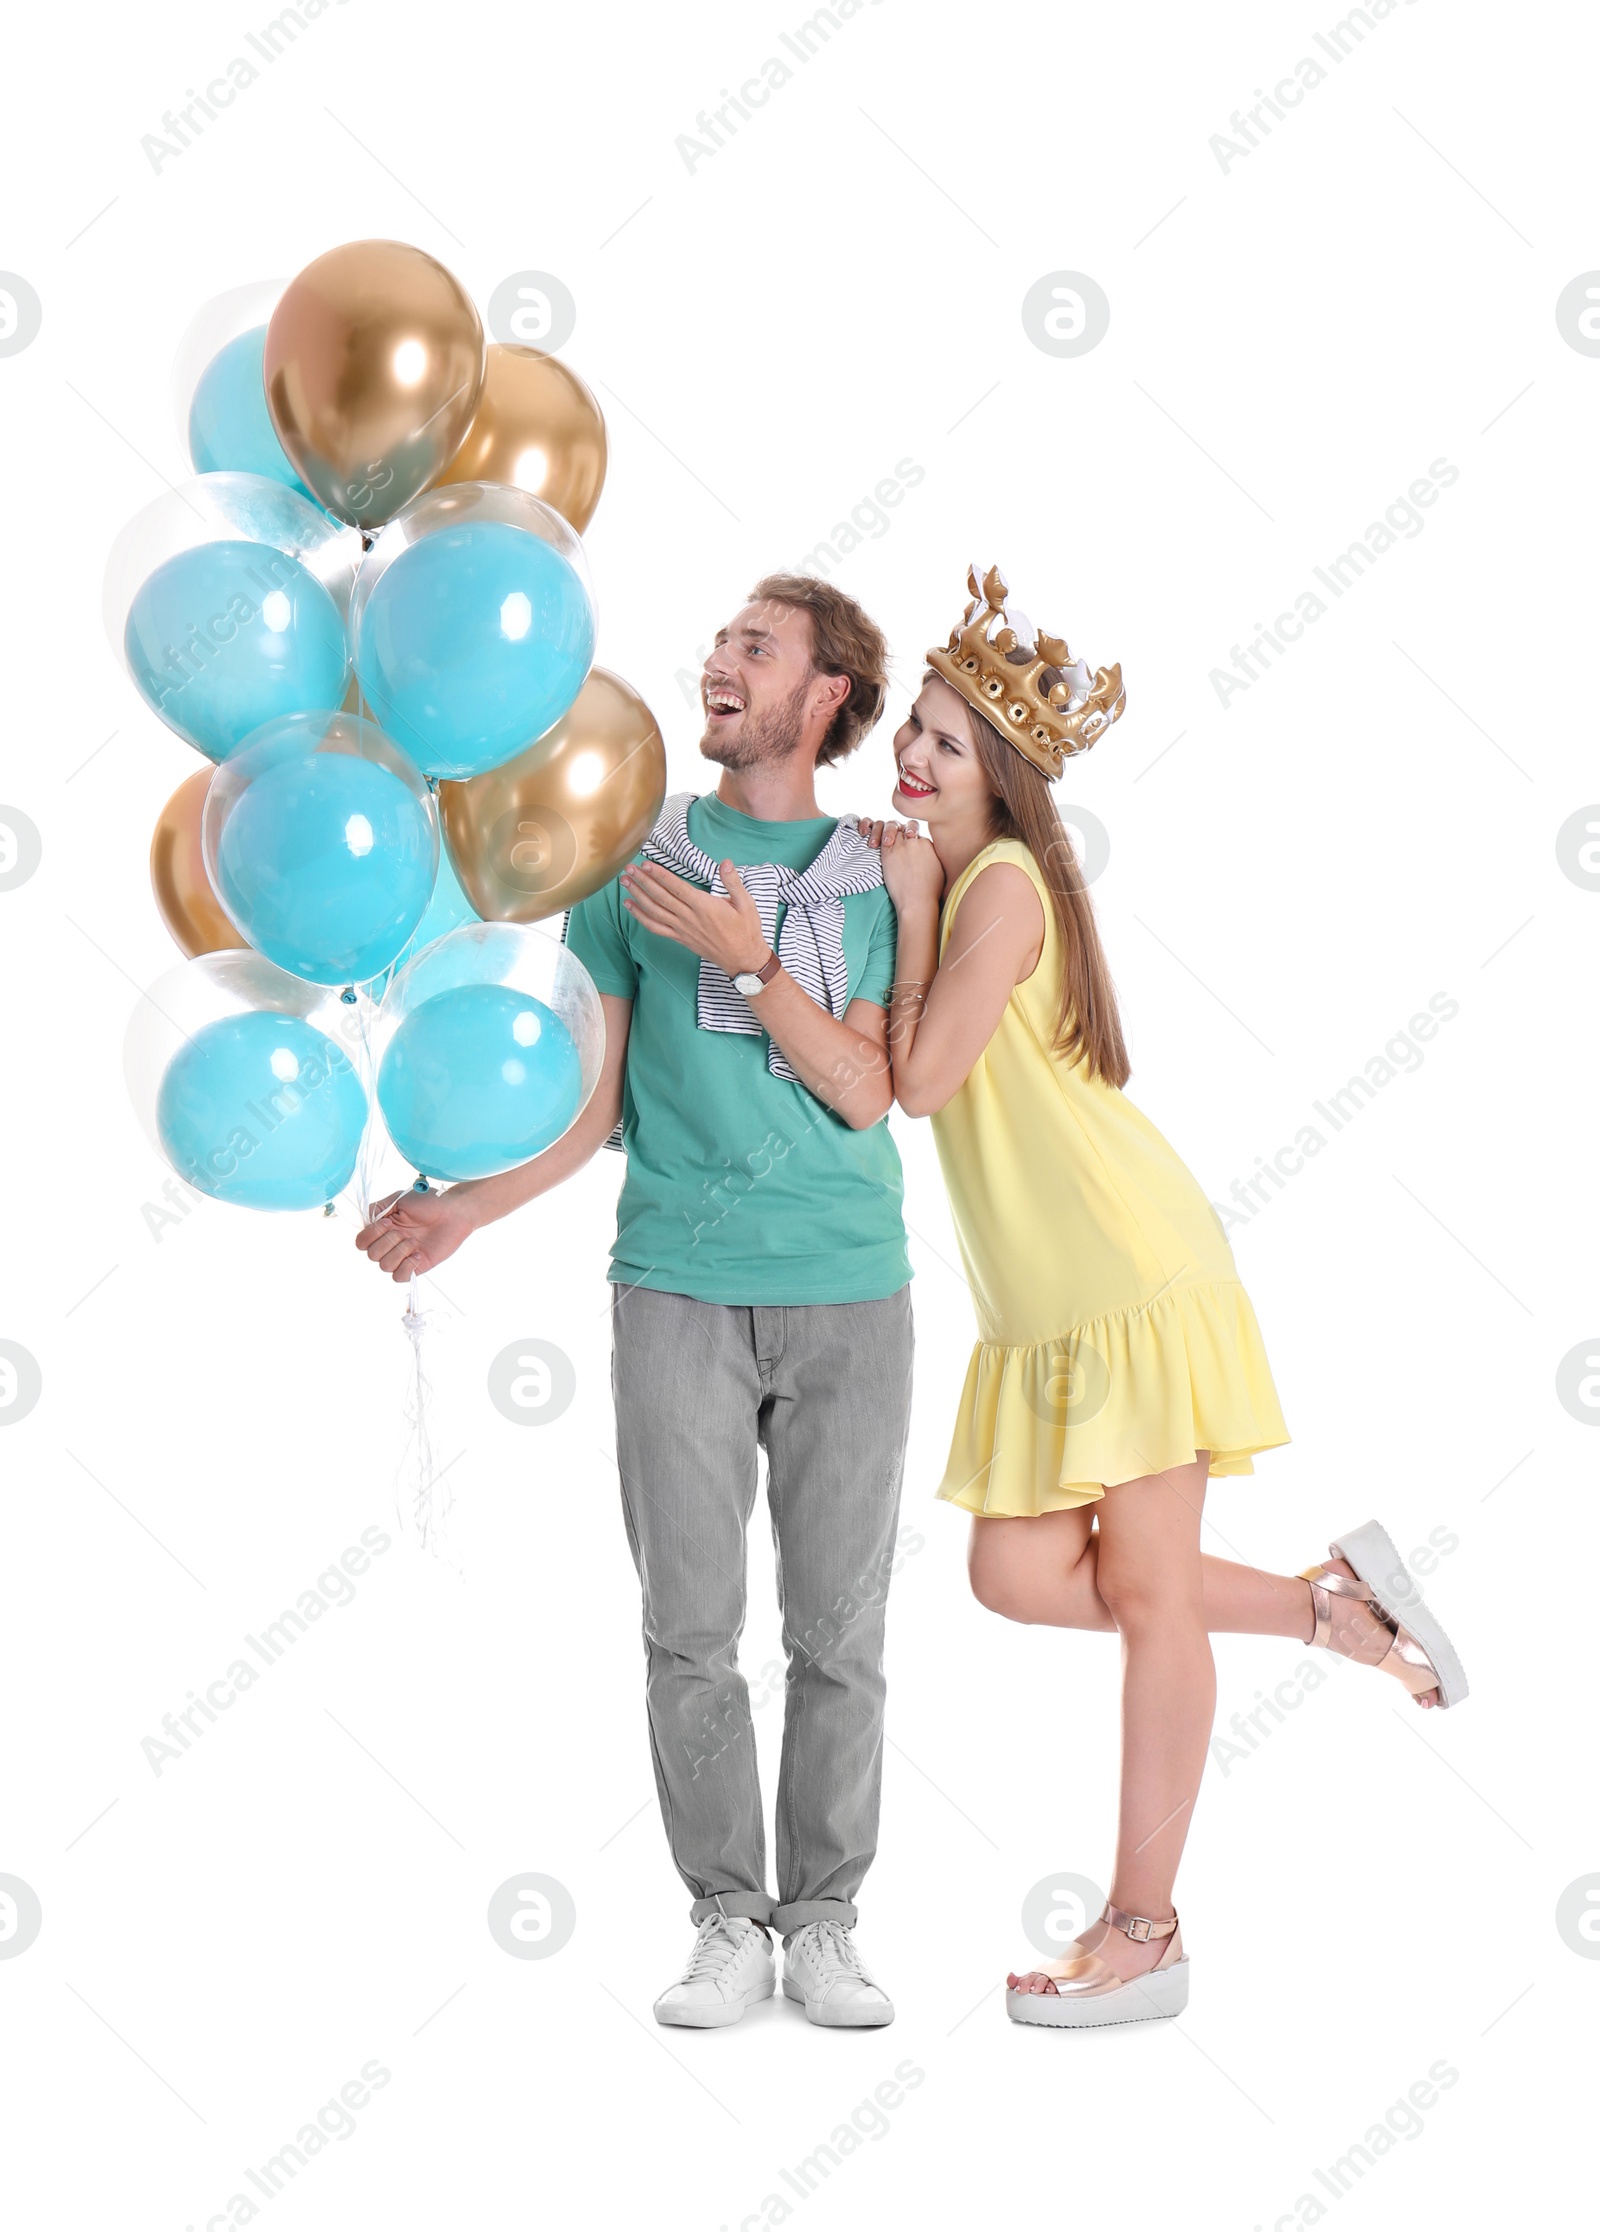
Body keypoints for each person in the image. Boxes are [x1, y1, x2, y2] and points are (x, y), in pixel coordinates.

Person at [863, 564, 1469, 2031]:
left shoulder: (990, 885)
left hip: (1125, 1273)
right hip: (1049, 1302)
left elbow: (919, 1084)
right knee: (1013, 1575)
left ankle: (1145, 1930)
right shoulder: (972, 889)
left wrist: (911, 892)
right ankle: (1337, 1614)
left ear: (999, 777)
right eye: (917, 733)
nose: (915, 759)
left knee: (1143, 1600)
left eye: (946, 743)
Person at [357, 576, 912, 2031]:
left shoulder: (880, 874)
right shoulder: (633, 865)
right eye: (722, 639)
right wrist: (462, 1208)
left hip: (852, 1290)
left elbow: (870, 1092)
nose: (719, 661)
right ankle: (730, 1915)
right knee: (690, 1627)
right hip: (672, 1287)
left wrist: (750, 961)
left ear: (826, 696)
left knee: (840, 1636)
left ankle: (830, 1920)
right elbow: (594, 1102)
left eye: (757, 647)